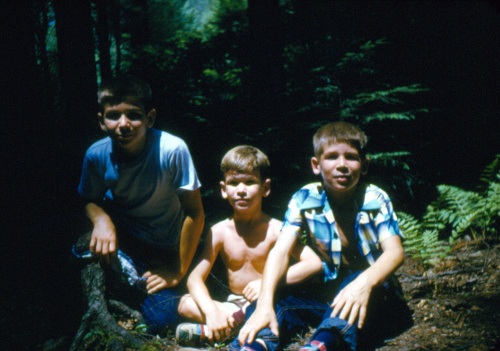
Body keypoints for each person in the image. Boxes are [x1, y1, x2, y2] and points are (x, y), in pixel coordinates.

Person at [237, 122, 413, 351]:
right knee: (273, 299)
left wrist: (364, 282)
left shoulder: (375, 198)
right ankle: (257, 343)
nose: (342, 165)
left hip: (372, 295)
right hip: (325, 296)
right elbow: (280, 251)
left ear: (365, 165)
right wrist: (264, 301)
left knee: (357, 282)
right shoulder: (304, 198)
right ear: (316, 165)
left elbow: (395, 252)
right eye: (331, 157)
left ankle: (324, 343)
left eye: (351, 157)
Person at [77, 75, 205, 334]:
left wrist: (177, 270)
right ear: (102, 121)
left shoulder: (172, 150)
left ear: (150, 118)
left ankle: (190, 307)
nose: (124, 125)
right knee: (79, 248)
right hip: (130, 243)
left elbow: (195, 212)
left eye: (134, 115)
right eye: (114, 116)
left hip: (171, 243)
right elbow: (88, 199)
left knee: (161, 315)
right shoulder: (96, 155)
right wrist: (102, 219)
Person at [175, 145, 323, 347]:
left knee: (265, 309)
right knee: (185, 303)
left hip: (269, 298)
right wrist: (212, 312)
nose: (241, 190)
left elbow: (313, 263)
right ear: (223, 190)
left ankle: (217, 332)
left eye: (250, 182)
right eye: (234, 183)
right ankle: (224, 326)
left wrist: (266, 283)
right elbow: (194, 279)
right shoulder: (219, 231)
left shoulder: (277, 229)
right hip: (233, 304)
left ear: (266, 188)